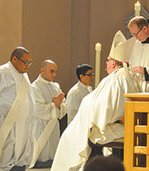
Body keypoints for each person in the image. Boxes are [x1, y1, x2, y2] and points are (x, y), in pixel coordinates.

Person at [51, 31, 139, 171]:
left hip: (113, 126)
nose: (106, 65)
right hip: (123, 124)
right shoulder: (130, 76)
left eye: (107, 60)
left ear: (114, 63)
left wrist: (89, 108)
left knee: (73, 137)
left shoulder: (115, 79)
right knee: (73, 134)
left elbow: (104, 108)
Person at [0, 47, 35, 171]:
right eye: (25, 62)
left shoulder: (24, 76)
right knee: (1, 160)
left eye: (30, 63)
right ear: (14, 59)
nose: (28, 66)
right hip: (2, 124)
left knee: (18, 161)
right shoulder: (0, 72)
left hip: (21, 125)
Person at [30, 60, 67, 168]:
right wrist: (54, 106)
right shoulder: (34, 87)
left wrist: (60, 106)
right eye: (52, 71)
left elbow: (65, 105)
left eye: (56, 72)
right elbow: (36, 109)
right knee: (41, 155)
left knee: (52, 157)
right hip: (40, 126)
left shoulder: (56, 86)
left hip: (54, 126)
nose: (54, 74)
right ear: (42, 70)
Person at [128, 16, 149, 92]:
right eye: (132, 34)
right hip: (137, 88)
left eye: (136, 34)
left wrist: (145, 71)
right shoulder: (135, 45)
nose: (135, 37)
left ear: (145, 29)